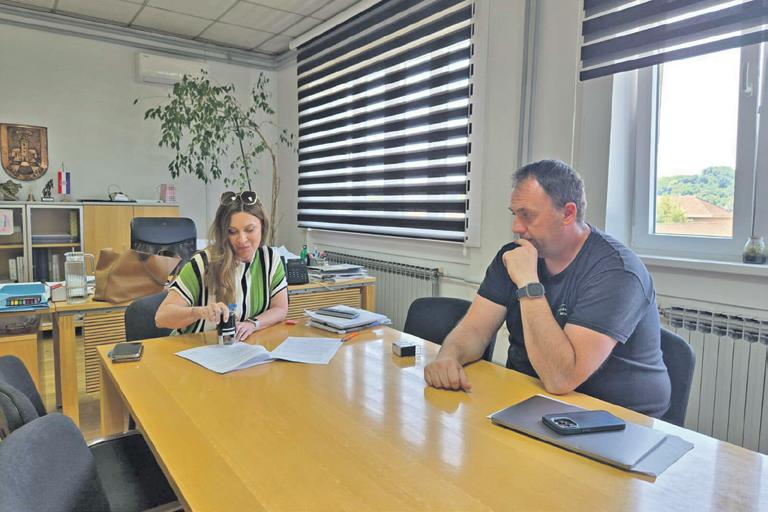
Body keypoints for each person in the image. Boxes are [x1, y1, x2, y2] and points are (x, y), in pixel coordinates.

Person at [424, 160, 671, 417]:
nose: (516, 227)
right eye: (514, 214)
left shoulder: (617, 272)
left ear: (568, 214)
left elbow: (560, 379)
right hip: (531, 397)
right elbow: (475, 329)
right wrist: (449, 357)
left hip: (616, 416)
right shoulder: (514, 256)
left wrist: (529, 284)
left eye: (527, 215)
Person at [156, 191, 288, 340]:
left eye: (250, 230)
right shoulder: (202, 264)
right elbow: (162, 317)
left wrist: (252, 324)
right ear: (223, 233)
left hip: (241, 347)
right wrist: (200, 312)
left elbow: (280, 308)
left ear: (262, 226)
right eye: (232, 232)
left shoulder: (270, 259)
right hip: (196, 346)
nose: (242, 239)